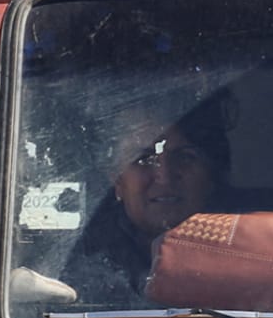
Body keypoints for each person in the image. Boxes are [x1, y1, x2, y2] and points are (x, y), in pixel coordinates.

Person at [62, 100, 230, 303]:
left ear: (211, 175)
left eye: (185, 156)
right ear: (117, 179)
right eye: (143, 159)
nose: (165, 175)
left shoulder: (246, 257)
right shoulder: (77, 266)